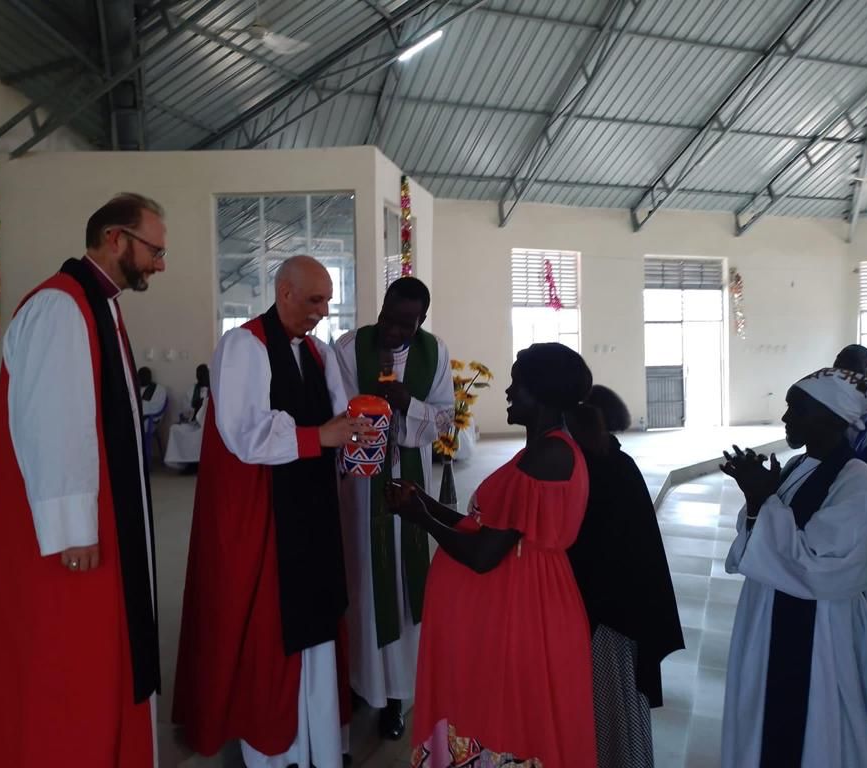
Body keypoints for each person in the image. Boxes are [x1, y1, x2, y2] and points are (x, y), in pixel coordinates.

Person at [0, 193, 166, 766]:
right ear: (115, 238)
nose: (159, 264)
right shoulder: (61, 307)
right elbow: (52, 421)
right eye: (153, 250)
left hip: (106, 513)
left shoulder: (97, 303)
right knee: (71, 659)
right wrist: (73, 528)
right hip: (74, 534)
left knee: (104, 654)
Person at [173, 255, 374, 768]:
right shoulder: (243, 346)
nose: (323, 311)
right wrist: (319, 437)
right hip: (266, 512)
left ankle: (320, 743)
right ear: (284, 293)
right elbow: (244, 433)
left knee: (319, 619)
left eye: (327, 301)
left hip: (313, 506)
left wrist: (357, 438)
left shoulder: (319, 352)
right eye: (315, 300)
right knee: (271, 629)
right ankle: (275, 750)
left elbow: (340, 414)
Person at [388, 343, 598, 768]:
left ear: (541, 392)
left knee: (512, 719)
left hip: (526, 610)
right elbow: (485, 525)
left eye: (518, 383)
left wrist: (420, 519)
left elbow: (484, 554)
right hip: (516, 604)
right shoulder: (538, 451)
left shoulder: (549, 455)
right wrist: (426, 503)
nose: (508, 391)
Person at [720, 367, 867, 767]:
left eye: (797, 409)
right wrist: (757, 498)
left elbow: (821, 566)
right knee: (760, 712)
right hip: (767, 614)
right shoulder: (797, 465)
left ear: (831, 416)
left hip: (821, 628)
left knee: (814, 727)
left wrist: (764, 500)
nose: (785, 417)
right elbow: (764, 534)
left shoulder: (860, 482)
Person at [334, 277, 454, 740]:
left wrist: (409, 404)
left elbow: (444, 417)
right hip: (361, 489)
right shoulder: (350, 348)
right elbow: (335, 410)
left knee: (405, 587)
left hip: (409, 483)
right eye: (388, 318)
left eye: (406, 324)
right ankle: (360, 682)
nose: (393, 331)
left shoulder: (434, 353)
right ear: (382, 307)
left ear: (420, 321)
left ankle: (397, 697)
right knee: (363, 581)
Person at [567, 385, 684, 768]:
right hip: (620, 612)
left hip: (604, 618)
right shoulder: (616, 462)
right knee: (615, 710)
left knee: (604, 711)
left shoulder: (594, 470)